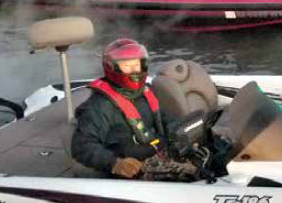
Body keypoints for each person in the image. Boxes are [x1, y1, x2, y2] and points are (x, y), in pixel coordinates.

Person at [71, 39, 192, 180]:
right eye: (127, 66)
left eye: (137, 65)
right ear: (112, 68)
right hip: (131, 172)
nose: (135, 71)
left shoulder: (146, 92)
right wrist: (115, 163)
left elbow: (165, 119)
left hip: (160, 156)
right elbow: (81, 146)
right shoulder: (98, 106)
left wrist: (181, 134)